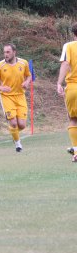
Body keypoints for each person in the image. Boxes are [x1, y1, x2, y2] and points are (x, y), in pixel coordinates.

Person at [0, 43, 32, 152]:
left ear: (14, 52)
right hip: (6, 97)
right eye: (4, 52)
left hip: (20, 96)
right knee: (13, 123)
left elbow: (29, 75)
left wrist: (27, 82)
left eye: (8, 52)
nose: (6, 54)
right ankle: (18, 144)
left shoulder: (24, 63)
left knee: (22, 125)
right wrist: (1, 88)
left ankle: (14, 134)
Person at [57, 23, 77, 162]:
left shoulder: (69, 46)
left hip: (73, 87)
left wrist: (59, 82)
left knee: (73, 119)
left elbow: (65, 64)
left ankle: (76, 150)